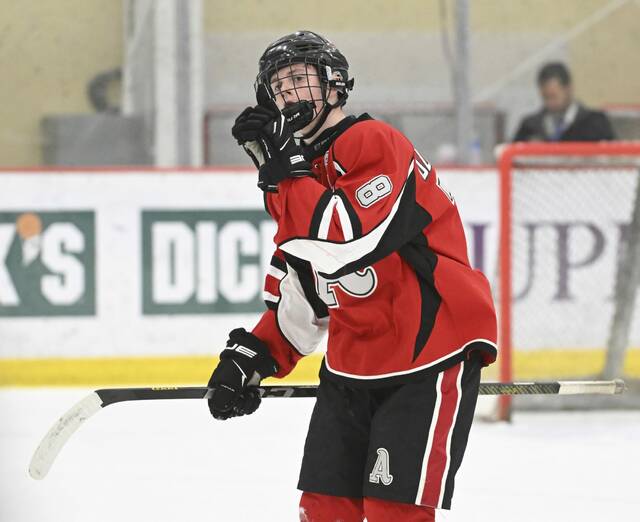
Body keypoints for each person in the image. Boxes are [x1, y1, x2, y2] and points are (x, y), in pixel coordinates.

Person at [206, 30, 497, 522]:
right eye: (279, 88)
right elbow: (305, 283)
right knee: (324, 510)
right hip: (351, 365)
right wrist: (256, 355)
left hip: (427, 354)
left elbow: (343, 242)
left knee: (393, 513)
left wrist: (284, 174)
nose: (289, 95)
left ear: (335, 84)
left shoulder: (374, 141)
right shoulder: (299, 172)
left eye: (300, 80)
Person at [512, 62, 615, 142]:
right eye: (545, 97)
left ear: (569, 89)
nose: (550, 103)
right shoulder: (530, 127)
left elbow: (614, 159)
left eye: (553, 96)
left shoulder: (595, 124)